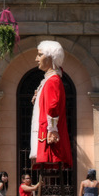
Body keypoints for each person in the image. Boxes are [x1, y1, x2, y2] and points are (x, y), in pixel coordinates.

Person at [29, 40, 72, 170]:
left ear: (50, 58)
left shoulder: (53, 80)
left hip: (48, 132)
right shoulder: (49, 79)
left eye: (40, 55)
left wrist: (52, 130)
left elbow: (53, 107)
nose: (36, 59)